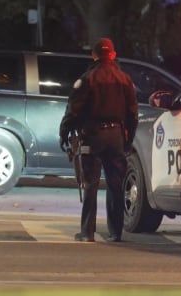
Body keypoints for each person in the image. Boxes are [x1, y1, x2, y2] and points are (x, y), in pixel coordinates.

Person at [59, 38, 138, 243]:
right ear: (112, 55)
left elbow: (73, 109)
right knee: (115, 185)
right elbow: (133, 113)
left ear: (93, 55)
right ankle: (116, 232)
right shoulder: (125, 79)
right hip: (117, 136)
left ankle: (87, 233)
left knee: (90, 184)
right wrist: (128, 139)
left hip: (93, 136)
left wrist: (64, 132)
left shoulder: (87, 79)